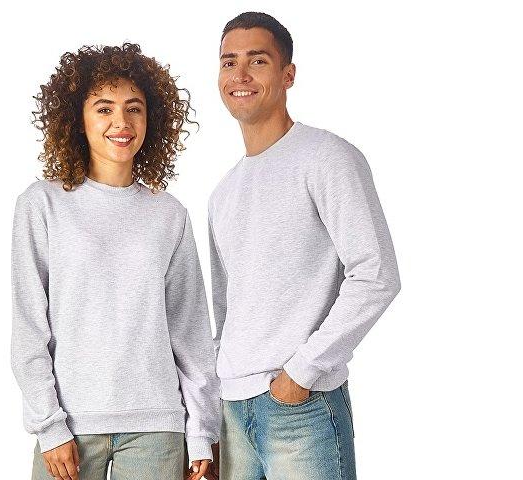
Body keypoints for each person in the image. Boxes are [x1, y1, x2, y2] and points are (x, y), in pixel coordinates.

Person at [10, 43, 220, 480]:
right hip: (70, 426)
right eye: (104, 108)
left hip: (157, 429)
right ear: (77, 119)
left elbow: (191, 334)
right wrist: (49, 427)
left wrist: (201, 431)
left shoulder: (169, 214)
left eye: (133, 109)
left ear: (151, 118)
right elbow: (29, 328)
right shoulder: (42, 205)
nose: (121, 123)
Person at [206, 12, 402, 480]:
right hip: (232, 411)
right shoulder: (222, 192)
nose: (240, 74)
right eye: (229, 62)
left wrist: (302, 372)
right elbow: (226, 311)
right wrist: (212, 413)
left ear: (287, 74)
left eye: (257, 61)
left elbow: (376, 274)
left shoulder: (327, 158)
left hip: (301, 407)